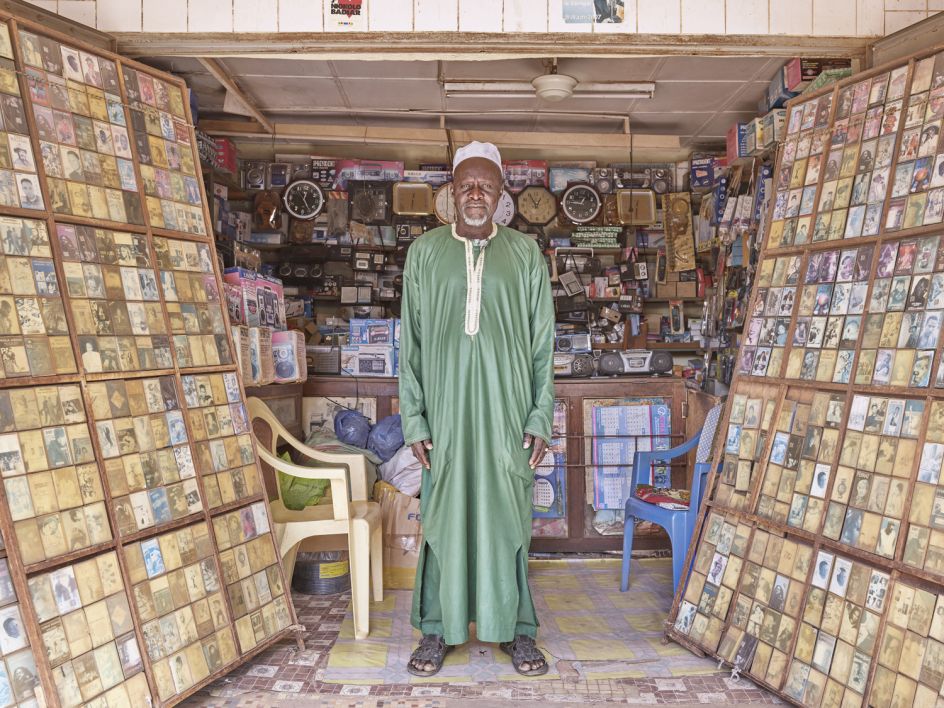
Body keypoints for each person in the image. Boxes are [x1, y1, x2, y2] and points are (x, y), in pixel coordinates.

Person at [400, 141, 554, 677]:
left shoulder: (525, 254)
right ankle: (437, 629)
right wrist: (414, 419)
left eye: (485, 185)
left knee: (507, 519)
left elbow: (543, 345)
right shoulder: (423, 253)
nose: (474, 193)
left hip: (507, 415)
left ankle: (516, 629)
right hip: (444, 415)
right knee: (443, 518)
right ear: (450, 191)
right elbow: (410, 345)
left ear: (500, 194)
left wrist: (540, 416)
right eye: (465, 183)